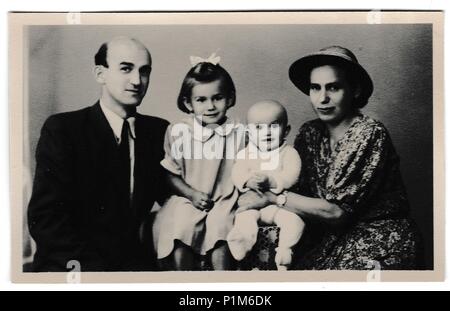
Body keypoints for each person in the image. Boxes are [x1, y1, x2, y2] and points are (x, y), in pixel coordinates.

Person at [238, 46, 422, 269]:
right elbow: (297, 191)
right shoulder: (309, 133)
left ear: (354, 90)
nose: (322, 98)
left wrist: (270, 197)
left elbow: (337, 213)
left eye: (333, 87)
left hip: (379, 239)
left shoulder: (369, 133)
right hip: (328, 239)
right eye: (315, 88)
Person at [27, 37, 169, 272]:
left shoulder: (158, 131)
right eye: (126, 69)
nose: (137, 80)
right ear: (100, 74)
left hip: (132, 267)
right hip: (72, 267)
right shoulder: (64, 129)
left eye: (144, 71)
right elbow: (45, 220)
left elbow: (173, 196)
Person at [152, 58, 246, 270]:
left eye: (217, 98)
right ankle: (183, 279)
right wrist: (191, 194)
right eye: (201, 100)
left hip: (225, 198)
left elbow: (247, 168)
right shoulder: (180, 132)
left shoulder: (239, 133)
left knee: (221, 226)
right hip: (189, 196)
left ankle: (222, 283)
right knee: (182, 224)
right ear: (188, 104)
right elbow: (170, 173)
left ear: (230, 99)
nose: (210, 106)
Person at [226, 100, 304, 270]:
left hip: (278, 207)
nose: (267, 132)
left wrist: (272, 181)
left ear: (286, 130)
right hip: (253, 204)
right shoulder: (245, 153)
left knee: (295, 221)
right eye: (259, 128)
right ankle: (242, 243)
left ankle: (284, 252)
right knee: (244, 219)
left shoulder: (289, 153)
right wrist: (247, 181)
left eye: (274, 126)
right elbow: (237, 172)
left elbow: (292, 175)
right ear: (249, 133)